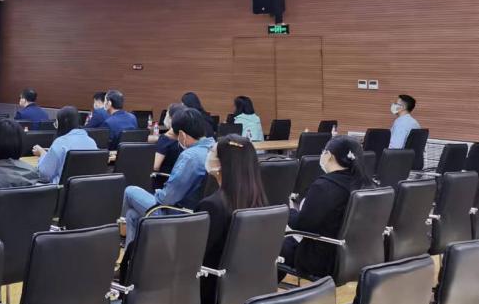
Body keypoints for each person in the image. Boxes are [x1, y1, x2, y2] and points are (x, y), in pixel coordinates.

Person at [280, 136, 372, 278]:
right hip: (357, 256)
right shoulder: (368, 184)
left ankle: (263, 290)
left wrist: (288, 210)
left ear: (329, 155)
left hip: (320, 259)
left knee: (273, 246)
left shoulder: (324, 186)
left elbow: (302, 226)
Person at [120, 107, 215, 246]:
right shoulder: (214, 149)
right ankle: (132, 254)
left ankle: (121, 231)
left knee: (130, 191)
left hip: (177, 214)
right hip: (199, 215)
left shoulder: (190, 156)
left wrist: (158, 192)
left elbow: (167, 199)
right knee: (132, 215)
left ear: (182, 134)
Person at [195, 135, 268, 291]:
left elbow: (193, 255)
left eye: (212, 152)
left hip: (210, 288)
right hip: (249, 288)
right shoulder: (260, 201)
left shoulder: (212, 206)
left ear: (221, 164)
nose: (209, 155)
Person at [35, 105, 97, 185]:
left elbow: (44, 174)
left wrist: (42, 153)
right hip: (85, 188)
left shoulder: (60, 142)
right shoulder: (92, 142)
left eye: (56, 123)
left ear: (62, 123)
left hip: (60, 189)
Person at [153, 103, 185, 175]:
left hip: (165, 178)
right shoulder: (187, 137)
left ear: (171, 118)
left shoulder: (165, 139)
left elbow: (155, 166)